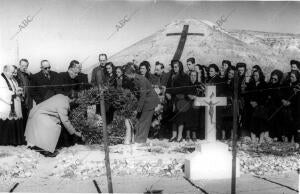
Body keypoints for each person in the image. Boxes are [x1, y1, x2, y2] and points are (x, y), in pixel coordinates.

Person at [123, 64, 160, 144]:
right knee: (140, 121)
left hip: (150, 102)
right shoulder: (134, 80)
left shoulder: (141, 80)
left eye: (126, 75)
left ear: (129, 73)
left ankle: (141, 141)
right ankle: (137, 139)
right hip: (145, 102)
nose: (126, 77)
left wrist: (138, 109)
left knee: (144, 121)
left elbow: (142, 96)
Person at [166, 60, 191, 142]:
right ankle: (174, 135)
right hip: (173, 100)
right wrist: (167, 93)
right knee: (174, 118)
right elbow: (168, 87)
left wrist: (172, 91)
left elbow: (184, 89)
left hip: (181, 100)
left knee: (180, 119)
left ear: (180, 67)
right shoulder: (172, 76)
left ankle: (179, 136)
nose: (174, 68)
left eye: (176, 67)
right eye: (173, 67)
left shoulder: (185, 76)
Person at [0, 65, 25, 145]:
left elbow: (15, 88)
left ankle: (16, 141)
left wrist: (19, 91)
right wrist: (15, 93)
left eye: (14, 72)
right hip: (6, 105)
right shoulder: (1, 79)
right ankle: (6, 142)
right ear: (6, 71)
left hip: (15, 103)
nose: (14, 74)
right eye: (12, 72)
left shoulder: (12, 79)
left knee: (16, 121)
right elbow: (3, 93)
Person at [245, 68, 268, 143]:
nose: (255, 77)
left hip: (260, 107)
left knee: (261, 124)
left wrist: (257, 102)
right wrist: (251, 102)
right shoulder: (250, 84)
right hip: (251, 107)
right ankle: (253, 140)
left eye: (257, 75)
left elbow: (265, 96)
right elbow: (247, 95)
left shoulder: (264, 84)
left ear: (260, 76)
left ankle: (261, 140)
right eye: (254, 75)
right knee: (252, 124)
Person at [280, 70, 300, 142]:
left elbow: (297, 99)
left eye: (293, 77)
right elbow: (281, 93)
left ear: (297, 77)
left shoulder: (298, 86)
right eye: (290, 76)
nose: (291, 78)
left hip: (295, 107)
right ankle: (285, 136)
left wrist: (290, 102)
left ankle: (293, 138)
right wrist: (283, 100)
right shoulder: (286, 84)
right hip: (285, 105)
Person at [185, 70, 205, 141]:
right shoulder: (187, 84)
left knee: (195, 117)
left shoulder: (199, 84)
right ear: (189, 76)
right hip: (187, 103)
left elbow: (202, 94)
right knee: (188, 117)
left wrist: (196, 97)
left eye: (194, 76)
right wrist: (188, 95)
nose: (193, 77)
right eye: (191, 75)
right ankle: (187, 134)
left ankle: (194, 134)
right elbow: (185, 93)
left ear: (196, 77)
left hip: (196, 104)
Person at [15, 59, 33, 126]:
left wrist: (30, 74)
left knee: (27, 118)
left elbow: (35, 81)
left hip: (28, 100)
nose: (24, 67)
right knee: (21, 117)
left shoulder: (28, 74)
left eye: (26, 66)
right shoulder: (16, 73)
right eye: (22, 66)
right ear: (19, 65)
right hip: (20, 99)